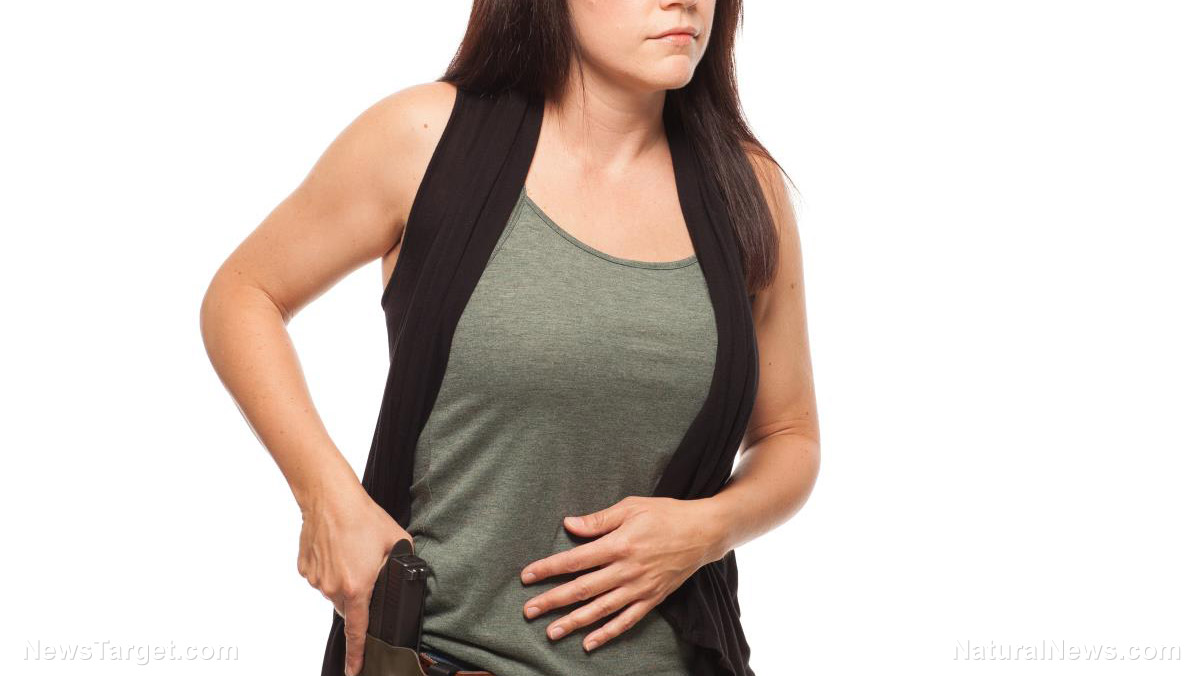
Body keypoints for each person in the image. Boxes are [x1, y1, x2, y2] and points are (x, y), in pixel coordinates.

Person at [200, 1, 820, 675]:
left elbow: (790, 435)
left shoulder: (746, 188)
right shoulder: (426, 138)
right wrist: (326, 496)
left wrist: (709, 529)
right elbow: (243, 294)